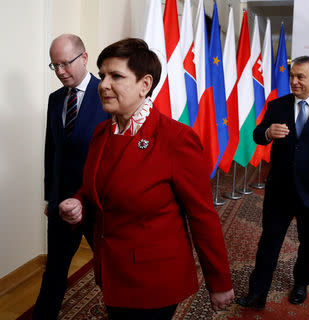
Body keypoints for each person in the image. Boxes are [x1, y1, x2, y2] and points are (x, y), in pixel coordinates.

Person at [59, 38, 234, 320]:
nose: (103, 84)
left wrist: (220, 281)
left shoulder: (176, 139)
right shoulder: (102, 134)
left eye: (116, 76)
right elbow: (101, 184)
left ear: (145, 84)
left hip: (153, 280)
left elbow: (203, 216)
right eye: (102, 74)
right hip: (111, 271)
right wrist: (78, 200)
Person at [237, 56, 309, 308]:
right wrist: (267, 133)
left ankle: (301, 283)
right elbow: (257, 135)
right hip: (280, 190)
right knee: (269, 242)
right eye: (292, 76)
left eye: (301, 77)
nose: (294, 81)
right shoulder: (277, 105)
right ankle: (257, 294)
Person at [33, 34, 109, 320]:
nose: (61, 71)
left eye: (66, 63)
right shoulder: (55, 100)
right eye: (55, 65)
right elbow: (52, 151)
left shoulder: (108, 94)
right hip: (62, 203)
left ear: (85, 58)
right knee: (54, 269)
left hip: (97, 202)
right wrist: (50, 197)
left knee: (108, 270)